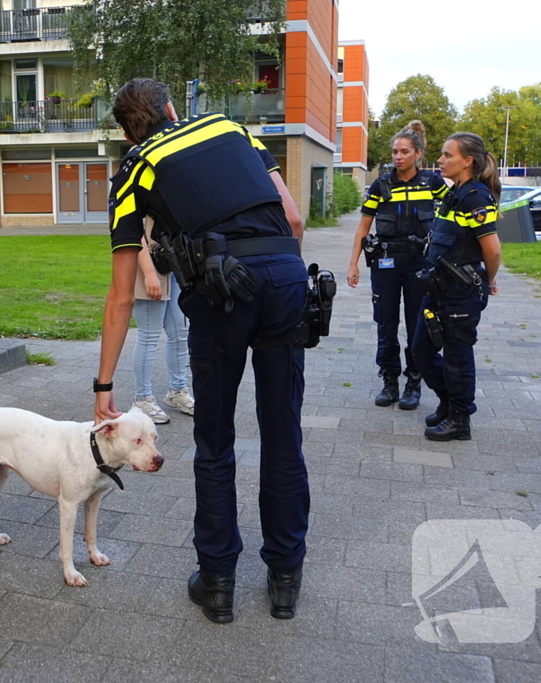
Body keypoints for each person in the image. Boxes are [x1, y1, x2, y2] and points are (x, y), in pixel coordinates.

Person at [93, 78, 309, 623]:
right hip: (284, 276)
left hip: (219, 293)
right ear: (171, 107)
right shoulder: (229, 125)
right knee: (283, 432)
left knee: (215, 441)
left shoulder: (134, 168)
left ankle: (217, 585)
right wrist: (275, 279)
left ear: (127, 130)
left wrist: (103, 386)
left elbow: (122, 295)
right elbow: (294, 217)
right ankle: (285, 580)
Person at [347, 121, 448, 410]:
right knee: (386, 323)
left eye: (404, 151)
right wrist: (353, 264)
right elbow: (363, 227)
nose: (398, 157)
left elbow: (455, 216)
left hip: (420, 264)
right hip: (386, 263)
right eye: (394, 152)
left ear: (418, 153)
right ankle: (389, 381)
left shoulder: (433, 184)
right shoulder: (381, 185)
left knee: (418, 325)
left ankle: (413, 383)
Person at [411, 132, 502, 441]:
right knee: (420, 350)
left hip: (461, 291)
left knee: (457, 357)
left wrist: (489, 282)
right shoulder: (455, 192)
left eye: (447, 155)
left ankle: (460, 419)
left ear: (468, 161)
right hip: (438, 288)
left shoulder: (476, 196)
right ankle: (448, 402)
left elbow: (492, 249)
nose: (440, 160)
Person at [131, 217, 194, 424]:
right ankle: (142, 399)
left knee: (180, 333)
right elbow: (130, 229)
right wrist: (149, 272)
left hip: (173, 262)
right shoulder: (136, 185)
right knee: (149, 334)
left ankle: (177, 391)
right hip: (148, 263)